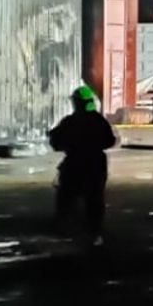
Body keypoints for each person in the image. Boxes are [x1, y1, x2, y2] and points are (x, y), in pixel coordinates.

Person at [50, 85, 118, 242]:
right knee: (94, 198)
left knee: (66, 197)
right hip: (96, 164)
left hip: (75, 163)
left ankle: (65, 228)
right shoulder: (99, 121)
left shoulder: (70, 122)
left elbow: (56, 143)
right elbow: (109, 141)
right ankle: (94, 230)